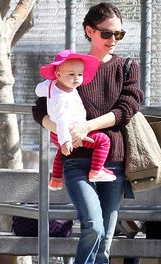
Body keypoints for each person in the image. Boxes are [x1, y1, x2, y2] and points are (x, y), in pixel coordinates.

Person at [32, 2, 144, 264]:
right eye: (107, 33)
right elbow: (40, 108)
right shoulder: (71, 65)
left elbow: (129, 105)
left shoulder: (126, 67)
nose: (113, 39)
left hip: (115, 162)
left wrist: (88, 126)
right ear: (89, 31)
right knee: (92, 226)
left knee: (105, 244)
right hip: (76, 162)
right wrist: (64, 131)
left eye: (118, 34)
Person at [35, 49, 116, 191]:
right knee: (103, 140)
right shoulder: (63, 98)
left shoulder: (51, 85)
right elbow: (62, 120)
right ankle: (96, 170)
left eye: (80, 74)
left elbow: (38, 90)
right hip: (69, 132)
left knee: (62, 151)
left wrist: (50, 81)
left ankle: (56, 179)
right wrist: (66, 140)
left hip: (57, 133)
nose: (77, 78)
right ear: (58, 74)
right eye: (71, 74)